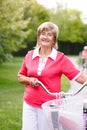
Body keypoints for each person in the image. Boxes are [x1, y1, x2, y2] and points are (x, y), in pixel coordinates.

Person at [18, 21, 87, 130]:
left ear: (54, 40)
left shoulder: (60, 58)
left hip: (49, 106)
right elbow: (20, 77)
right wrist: (29, 79)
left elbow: (79, 77)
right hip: (29, 103)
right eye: (43, 33)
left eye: (49, 34)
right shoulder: (30, 55)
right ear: (38, 36)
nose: (45, 37)